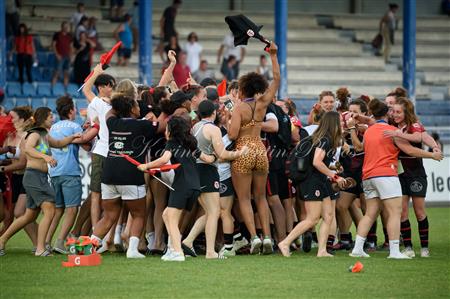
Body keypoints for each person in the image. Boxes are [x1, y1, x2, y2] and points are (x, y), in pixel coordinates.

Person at [350, 99, 442, 259]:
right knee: (395, 212)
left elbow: (362, 146)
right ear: (387, 114)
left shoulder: (369, 131)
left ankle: (357, 248)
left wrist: (357, 120)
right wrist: (432, 155)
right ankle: (394, 251)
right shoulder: (391, 130)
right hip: (386, 174)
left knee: (370, 214)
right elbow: (409, 150)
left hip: (368, 176)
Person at [91, 93, 166, 258]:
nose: (139, 107)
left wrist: (114, 103)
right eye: (137, 105)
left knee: (109, 215)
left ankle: (89, 246)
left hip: (109, 173)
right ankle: (132, 250)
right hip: (131, 174)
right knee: (139, 213)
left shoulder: (112, 122)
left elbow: (109, 113)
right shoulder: (142, 125)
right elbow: (162, 125)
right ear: (132, 109)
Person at [0, 107, 80, 256]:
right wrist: (46, 157)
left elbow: (58, 143)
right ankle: (40, 248)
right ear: (44, 118)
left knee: (29, 216)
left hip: (37, 177)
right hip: (34, 176)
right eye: (50, 117)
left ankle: (2, 240)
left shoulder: (44, 134)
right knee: (50, 209)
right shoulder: (35, 133)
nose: (53, 119)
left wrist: (73, 137)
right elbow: (29, 149)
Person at [138, 116, 214, 262]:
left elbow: (163, 159)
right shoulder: (190, 144)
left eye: (167, 128)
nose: (165, 131)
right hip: (195, 186)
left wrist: (146, 166)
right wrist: (216, 155)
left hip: (182, 184)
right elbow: (208, 159)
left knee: (171, 218)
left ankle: (178, 252)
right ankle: (172, 249)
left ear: (171, 130)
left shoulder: (172, 143)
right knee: (167, 215)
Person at [228, 42, 279, 254]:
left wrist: (232, 118)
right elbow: (276, 79)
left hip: (243, 151)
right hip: (260, 150)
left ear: (242, 89)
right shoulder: (262, 104)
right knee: (261, 197)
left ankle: (255, 238)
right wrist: (273, 56)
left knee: (244, 199)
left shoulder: (239, 108)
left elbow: (231, 135)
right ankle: (268, 237)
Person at [182, 100, 247, 259]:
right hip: (207, 171)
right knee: (213, 212)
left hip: (196, 170)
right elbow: (223, 154)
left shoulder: (195, 126)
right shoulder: (213, 128)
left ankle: (188, 242)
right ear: (213, 113)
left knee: (211, 211)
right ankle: (210, 251)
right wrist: (240, 153)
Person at [278, 112, 347, 258]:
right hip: (312, 182)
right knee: (313, 218)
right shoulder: (325, 139)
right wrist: (334, 176)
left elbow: (316, 162)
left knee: (328, 216)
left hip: (320, 181)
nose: (343, 124)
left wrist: (333, 168)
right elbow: (316, 162)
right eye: (340, 121)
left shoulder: (325, 139)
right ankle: (285, 243)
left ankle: (322, 251)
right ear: (333, 123)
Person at [387, 98, 441, 258]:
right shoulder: (392, 126)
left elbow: (421, 137)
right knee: (402, 212)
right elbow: (409, 148)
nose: (394, 114)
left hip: (416, 173)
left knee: (419, 212)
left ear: (406, 112)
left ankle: (425, 248)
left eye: (398, 112)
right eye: (393, 111)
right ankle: (409, 247)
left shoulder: (414, 125)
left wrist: (435, 146)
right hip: (399, 174)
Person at [45, 96, 98, 254]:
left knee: (58, 209)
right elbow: (87, 145)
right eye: (74, 109)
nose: (75, 111)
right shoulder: (74, 126)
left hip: (54, 172)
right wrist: (88, 130)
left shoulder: (53, 127)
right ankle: (60, 242)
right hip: (70, 171)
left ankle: (46, 242)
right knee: (72, 209)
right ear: (70, 111)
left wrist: (82, 128)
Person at [83, 64, 116, 230]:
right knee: (96, 194)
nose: (111, 88)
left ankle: (104, 232)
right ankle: (96, 232)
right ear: (101, 87)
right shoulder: (98, 104)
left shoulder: (115, 104)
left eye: (113, 85)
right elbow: (86, 91)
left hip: (113, 153)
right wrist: (96, 72)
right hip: (102, 151)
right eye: (109, 85)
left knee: (110, 195)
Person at [1, 107, 38, 251]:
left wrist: (2, 168)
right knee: (17, 215)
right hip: (13, 179)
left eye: (12, 117)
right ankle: (40, 243)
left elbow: (22, 163)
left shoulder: (26, 136)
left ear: (22, 120)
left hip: (25, 176)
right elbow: (6, 160)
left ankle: (38, 244)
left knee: (20, 213)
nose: (9, 119)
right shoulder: (9, 136)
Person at [52, 21, 73, 86]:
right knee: (57, 72)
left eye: (67, 27)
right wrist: (57, 54)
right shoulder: (57, 34)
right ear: (62, 27)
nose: (66, 28)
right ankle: (52, 88)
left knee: (66, 73)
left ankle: (65, 89)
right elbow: (53, 45)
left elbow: (71, 46)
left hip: (67, 56)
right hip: (60, 56)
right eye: (65, 26)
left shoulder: (70, 35)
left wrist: (71, 56)